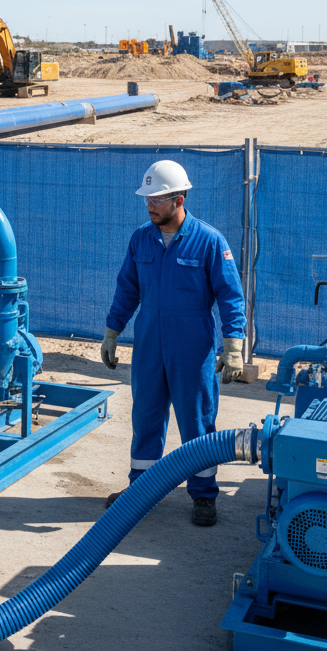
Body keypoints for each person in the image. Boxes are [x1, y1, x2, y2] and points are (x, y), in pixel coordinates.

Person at [100, 159, 245, 527]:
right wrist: (112, 331)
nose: (149, 205)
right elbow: (127, 289)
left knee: (196, 422)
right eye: (147, 198)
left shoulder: (210, 241)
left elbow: (230, 296)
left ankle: (203, 495)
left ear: (179, 200)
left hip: (192, 346)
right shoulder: (140, 239)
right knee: (146, 418)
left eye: (157, 199)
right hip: (149, 341)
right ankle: (142, 490)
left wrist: (234, 347)